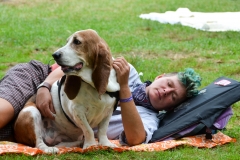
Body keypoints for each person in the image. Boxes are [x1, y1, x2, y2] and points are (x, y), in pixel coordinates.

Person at [0, 57, 201, 146]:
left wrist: (123, 89)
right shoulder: (126, 70)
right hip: (43, 79)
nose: (166, 91)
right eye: (168, 84)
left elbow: (135, 140)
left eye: (173, 96)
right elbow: (76, 66)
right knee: (3, 112)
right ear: (160, 77)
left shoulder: (147, 120)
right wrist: (43, 87)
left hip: (48, 127)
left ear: (171, 107)